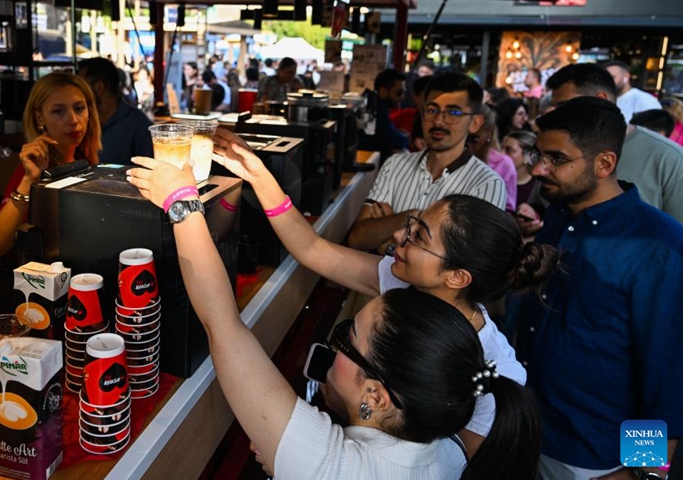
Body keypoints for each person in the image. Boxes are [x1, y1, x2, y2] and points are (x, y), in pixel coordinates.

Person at [125, 156, 542, 480]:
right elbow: (316, 251)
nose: (399, 237)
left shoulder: (330, 462)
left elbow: (223, 324)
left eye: (346, 337)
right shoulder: (440, 448)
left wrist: (181, 204)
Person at [202, 128, 558, 458]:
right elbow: (314, 250)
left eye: (419, 237)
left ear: (457, 277)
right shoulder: (406, 282)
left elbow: (456, 463)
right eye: (412, 226)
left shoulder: (491, 368)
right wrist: (260, 177)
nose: (399, 237)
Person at [514, 95, 683, 480]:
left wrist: (643, 472)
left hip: (596, 457)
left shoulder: (658, 246)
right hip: (527, 431)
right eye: (536, 155)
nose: (539, 169)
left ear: (604, 163)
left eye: (557, 159)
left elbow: (665, 375)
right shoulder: (557, 217)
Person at [348, 73, 507, 253]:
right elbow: (358, 239)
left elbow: (464, 265)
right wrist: (411, 216)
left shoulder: (486, 184)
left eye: (453, 113)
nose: (439, 121)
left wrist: (390, 243)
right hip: (373, 280)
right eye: (432, 110)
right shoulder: (396, 164)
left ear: (475, 123)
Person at [541, 62, 683, 224]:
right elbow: (540, 202)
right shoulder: (553, 146)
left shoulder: (668, 157)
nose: (557, 115)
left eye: (564, 106)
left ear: (601, 100)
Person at [0, 72, 101, 259]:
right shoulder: (34, 169)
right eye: (58, 111)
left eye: (79, 108)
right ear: (39, 118)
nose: (73, 120)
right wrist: (29, 179)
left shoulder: (84, 158)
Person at [78, 57, 153, 165]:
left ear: (99, 87)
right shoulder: (82, 122)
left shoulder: (139, 126)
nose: (78, 91)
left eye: (82, 85)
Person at [468, 104, 518, 212]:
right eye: (462, 137)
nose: (466, 145)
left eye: (473, 139)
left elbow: (508, 209)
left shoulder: (503, 164)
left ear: (488, 135)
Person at [358, 69, 410, 155]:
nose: (402, 97)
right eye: (399, 93)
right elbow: (392, 139)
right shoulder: (376, 110)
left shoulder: (372, 104)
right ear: (383, 91)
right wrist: (406, 138)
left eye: (403, 93)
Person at [502, 131, 541, 216]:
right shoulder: (496, 180)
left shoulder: (538, 187)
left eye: (509, 150)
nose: (502, 154)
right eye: (501, 148)